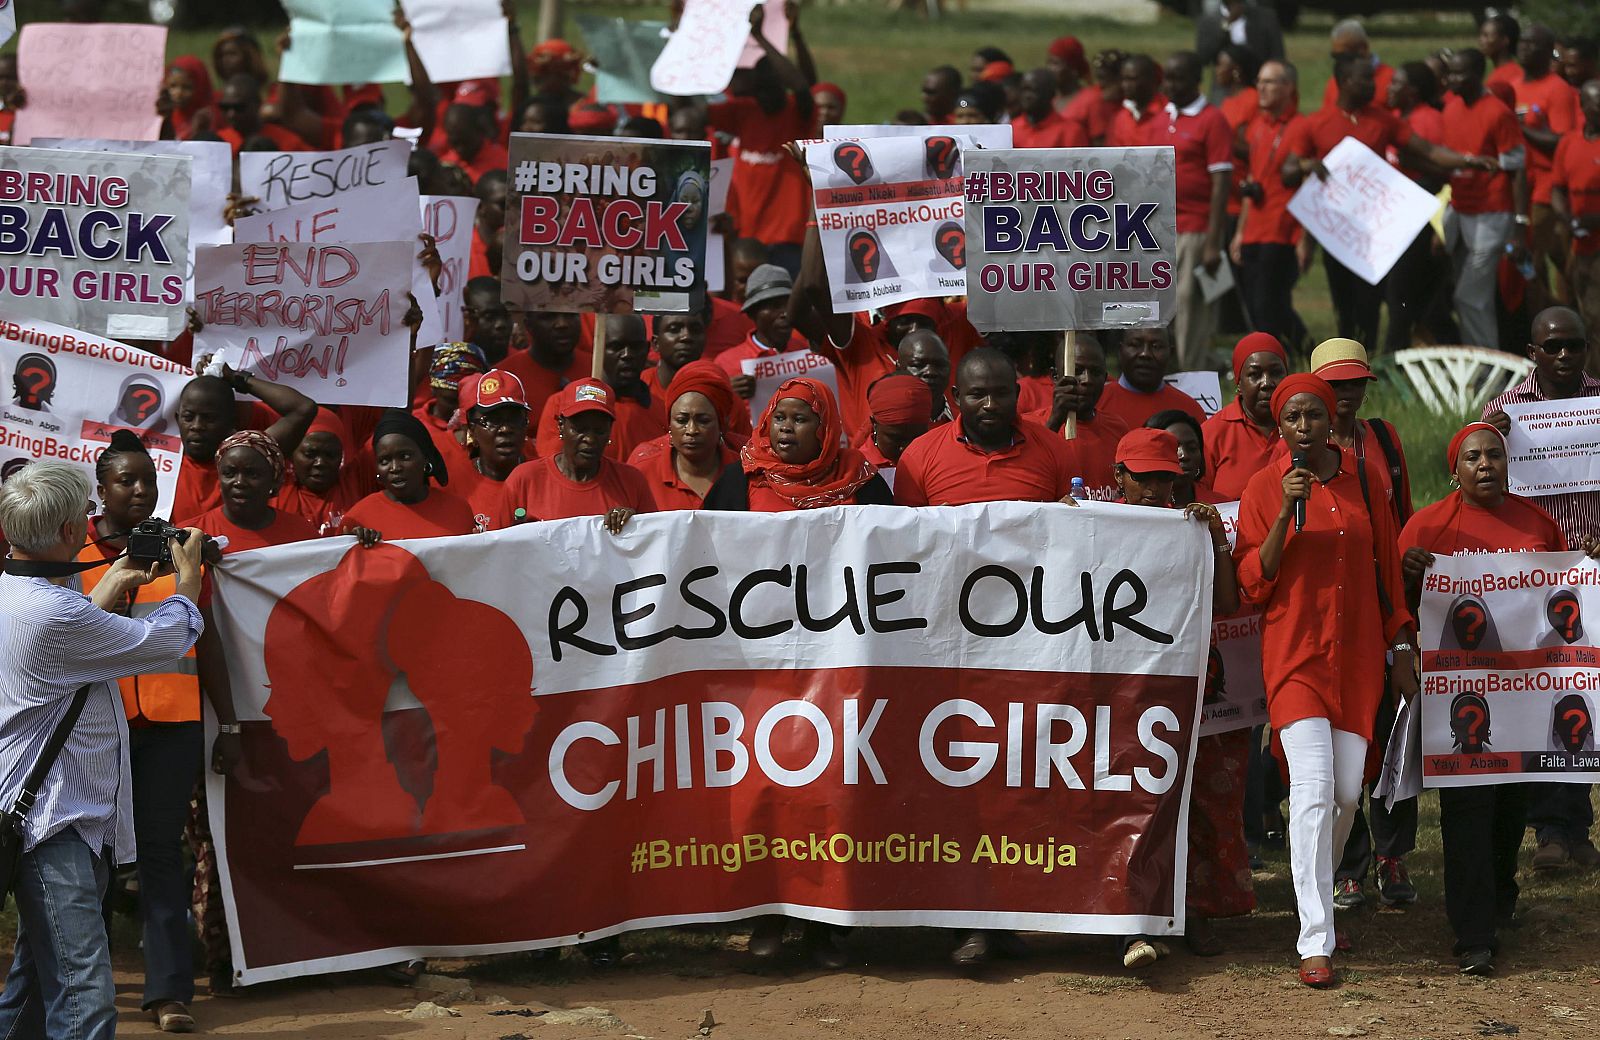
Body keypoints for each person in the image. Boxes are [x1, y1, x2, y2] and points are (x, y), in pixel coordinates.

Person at [0, 461, 206, 1040]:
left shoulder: (16, 590)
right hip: (56, 824)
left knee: (36, 985)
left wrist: (115, 578)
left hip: (57, 815)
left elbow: (75, 622)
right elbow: (165, 640)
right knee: (85, 997)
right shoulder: (56, 613)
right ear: (70, 533)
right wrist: (185, 577)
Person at [1233, 374, 1415, 988]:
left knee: (1342, 795)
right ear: (1279, 427)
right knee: (1311, 791)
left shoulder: (1365, 480)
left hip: (1358, 657)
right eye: (1293, 418)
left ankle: (1317, 883)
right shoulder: (1263, 487)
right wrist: (1287, 507)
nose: (1305, 427)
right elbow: (1255, 581)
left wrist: (1400, 641)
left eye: (1314, 415)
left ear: (1329, 418)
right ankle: (1315, 936)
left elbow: (1388, 567)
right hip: (1296, 655)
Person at [1399, 422, 1593, 974]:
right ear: (1453, 469)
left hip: (1526, 696)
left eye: (1495, 456)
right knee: (1466, 808)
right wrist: (1410, 576)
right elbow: (1393, 597)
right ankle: (1473, 934)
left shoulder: (1537, 523)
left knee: (1510, 808)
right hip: (1456, 692)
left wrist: (1585, 566)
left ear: (1508, 464)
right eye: (1473, 457)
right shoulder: (1428, 525)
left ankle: (1499, 895)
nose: (1486, 465)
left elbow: (1564, 594)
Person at [69, 435, 227, 1034]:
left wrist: (229, 719)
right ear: (101, 491)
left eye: (148, 482)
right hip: (96, 732)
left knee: (162, 855)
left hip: (169, 724)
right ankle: (87, 989)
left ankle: (168, 994)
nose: (139, 491)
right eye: (125, 482)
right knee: (95, 856)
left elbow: (203, 640)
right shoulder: (74, 553)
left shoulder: (183, 552)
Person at [1113, 428, 1251, 962]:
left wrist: (1215, 540)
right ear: (1118, 477)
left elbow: (1224, 600)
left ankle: (1192, 913)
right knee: (1132, 801)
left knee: (1197, 804)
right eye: (1142, 478)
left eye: (1164, 479)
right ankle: (1131, 919)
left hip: (1186, 684)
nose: (1153, 489)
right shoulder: (1096, 527)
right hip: (1121, 688)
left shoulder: (1191, 525)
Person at [1485, 306, 1600, 869]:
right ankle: (1549, 829)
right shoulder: (1505, 412)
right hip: (1531, 578)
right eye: (1551, 347)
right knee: (1541, 697)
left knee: (1583, 697)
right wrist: (1495, 442)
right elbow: (1476, 479)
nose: (1563, 356)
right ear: (1532, 352)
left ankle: (1574, 825)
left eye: (1573, 346)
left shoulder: (1599, 403)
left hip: (1591, 572)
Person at [1283, 55, 1498, 351]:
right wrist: (1308, 165)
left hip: (1372, 237)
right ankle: (1346, 365)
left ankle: (1367, 365)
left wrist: (1468, 161)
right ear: (1345, 83)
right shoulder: (1316, 123)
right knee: (1344, 305)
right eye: (1366, 80)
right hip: (1336, 234)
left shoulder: (1383, 120)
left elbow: (1429, 151)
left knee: (1369, 304)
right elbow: (1287, 172)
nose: (1374, 85)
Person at [707, 6, 815, 273]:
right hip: (746, 235)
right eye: (760, 87)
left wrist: (760, 36)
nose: (765, 94)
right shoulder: (743, 112)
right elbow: (693, 110)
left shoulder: (797, 115)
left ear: (783, 84)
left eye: (772, 84)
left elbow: (803, 86)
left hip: (787, 239)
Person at [1440, 48, 1527, 352]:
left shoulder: (1498, 113)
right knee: (1472, 295)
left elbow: (1517, 171)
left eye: (1458, 73)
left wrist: (1519, 226)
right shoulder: (1450, 110)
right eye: (1449, 72)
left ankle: (1486, 372)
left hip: (1492, 213)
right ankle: (1479, 362)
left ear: (1477, 75)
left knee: (1470, 295)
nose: (1451, 79)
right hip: (1460, 210)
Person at [706, 377, 890, 512]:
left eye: (799, 420)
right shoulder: (741, 477)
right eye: (778, 418)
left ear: (824, 428)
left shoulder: (858, 477)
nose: (785, 428)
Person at [498, 380, 656, 528]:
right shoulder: (524, 481)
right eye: (580, 429)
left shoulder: (632, 482)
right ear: (561, 426)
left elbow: (652, 543)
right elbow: (497, 548)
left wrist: (635, 526)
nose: (590, 439)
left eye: (599, 430)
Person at [172, 363, 317, 521]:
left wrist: (236, 377)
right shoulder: (159, 465)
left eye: (209, 418)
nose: (197, 426)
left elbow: (303, 408)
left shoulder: (254, 454)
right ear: (177, 419)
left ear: (232, 422)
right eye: (188, 417)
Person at [1384, 62, 1460, 354]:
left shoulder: (1427, 120)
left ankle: (1392, 359)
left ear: (1413, 92)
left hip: (1422, 220)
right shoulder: (1395, 118)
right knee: (1421, 302)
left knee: (1401, 293)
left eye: (1396, 83)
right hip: (1398, 221)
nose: (1388, 88)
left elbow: (1441, 173)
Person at [1231, 60, 1305, 350]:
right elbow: (1253, 178)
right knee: (1256, 303)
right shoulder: (1257, 126)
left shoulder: (1300, 127)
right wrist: (1240, 230)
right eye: (1259, 80)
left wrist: (1303, 239)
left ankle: (1286, 354)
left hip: (1282, 229)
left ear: (1289, 88)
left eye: (1270, 82)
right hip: (1254, 229)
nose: (1261, 87)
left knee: (1269, 304)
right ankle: (1296, 351)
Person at [1510, 25, 1581, 299]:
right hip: (1519, 185)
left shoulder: (1558, 89)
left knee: (1545, 255)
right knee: (1529, 261)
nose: (1524, 47)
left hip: (1545, 187)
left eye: (1533, 44)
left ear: (1548, 50)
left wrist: (1521, 127)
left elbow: (1561, 140)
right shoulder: (1515, 85)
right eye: (1522, 42)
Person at [535, 316, 666, 462]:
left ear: (647, 349)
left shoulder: (664, 411)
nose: (627, 355)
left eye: (635, 347)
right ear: (598, 349)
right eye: (616, 347)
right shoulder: (562, 404)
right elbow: (552, 469)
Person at [345, 411, 479, 539]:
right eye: (384, 460)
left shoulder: (458, 511)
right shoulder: (358, 519)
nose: (395, 468)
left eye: (405, 456)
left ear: (425, 458)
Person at [1028, 335, 1128, 501]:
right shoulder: (1030, 427)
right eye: (1077, 371)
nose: (1087, 380)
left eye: (1095, 373)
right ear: (1055, 376)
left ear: (1104, 378)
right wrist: (1054, 422)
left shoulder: (1118, 428)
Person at [629, 362, 741, 510]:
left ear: (723, 424)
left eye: (703, 421)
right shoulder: (642, 471)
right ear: (669, 423)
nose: (691, 430)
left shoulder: (745, 473)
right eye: (681, 421)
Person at [1202, 332, 1287, 500]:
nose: (1267, 383)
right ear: (1238, 382)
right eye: (1255, 375)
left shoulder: (1305, 426)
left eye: (1276, 373)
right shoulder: (1212, 434)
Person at [1552, 81, 1600, 345]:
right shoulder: (1569, 142)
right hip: (1579, 243)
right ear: (1583, 106)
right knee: (1583, 313)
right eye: (1596, 103)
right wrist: (1566, 218)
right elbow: (1557, 188)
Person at [452, 370, 532, 530]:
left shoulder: (543, 480)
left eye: (515, 419)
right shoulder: (452, 488)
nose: (505, 429)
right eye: (493, 420)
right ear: (472, 429)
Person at [274, 409, 373, 534]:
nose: (320, 463)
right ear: (291, 453)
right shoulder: (273, 487)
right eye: (310, 454)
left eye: (330, 455)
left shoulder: (356, 480)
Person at [1096, 325, 1207, 432]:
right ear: (1120, 350)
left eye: (1156, 347)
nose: (1145, 354)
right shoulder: (1095, 403)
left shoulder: (1190, 410)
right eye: (1135, 345)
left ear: (1171, 353)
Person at [718, 264, 800, 387]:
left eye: (789, 305)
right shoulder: (726, 363)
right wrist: (727, 393)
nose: (785, 313)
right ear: (752, 313)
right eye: (775, 306)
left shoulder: (808, 353)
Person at [861, 373, 933, 487]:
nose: (905, 448)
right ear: (874, 424)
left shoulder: (943, 459)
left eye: (916, 438)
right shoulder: (857, 470)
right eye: (895, 438)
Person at [1317, 20, 1394, 111]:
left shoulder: (1392, 81)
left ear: (1363, 48)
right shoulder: (1334, 82)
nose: (1340, 61)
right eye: (1336, 56)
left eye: (1345, 55)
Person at [1010, 68, 1088, 148]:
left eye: (1033, 91)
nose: (1026, 96)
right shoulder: (1011, 129)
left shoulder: (1071, 132)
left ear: (1051, 94)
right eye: (1023, 90)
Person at [1196, 0, 1283, 69]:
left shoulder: (1266, 17)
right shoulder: (1208, 20)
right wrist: (1226, 24)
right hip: (1224, 87)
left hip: (1257, 83)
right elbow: (1204, 59)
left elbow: (1278, 56)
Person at [1481, 12, 1522, 87]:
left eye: (1486, 36)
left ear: (1504, 40)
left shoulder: (1512, 75)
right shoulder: (1496, 73)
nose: (1481, 41)